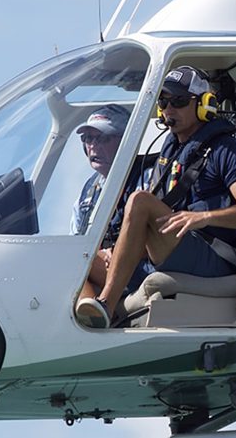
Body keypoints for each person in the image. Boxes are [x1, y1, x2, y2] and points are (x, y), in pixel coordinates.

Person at [75, 65, 236, 328]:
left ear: (204, 104)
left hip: (210, 254)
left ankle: (106, 306)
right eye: (163, 102)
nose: (169, 109)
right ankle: (88, 322)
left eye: (178, 101)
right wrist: (116, 250)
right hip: (169, 250)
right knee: (76, 256)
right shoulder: (172, 147)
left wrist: (204, 217)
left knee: (141, 201)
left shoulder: (224, 149)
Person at [71, 104, 159, 326]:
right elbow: (76, 240)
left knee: (71, 258)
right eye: (88, 139)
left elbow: (162, 232)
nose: (93, 146)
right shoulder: (88, 191)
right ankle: (89, 314)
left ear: (125, 141)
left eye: (102, 138)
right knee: (65, 256)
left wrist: (118, 251)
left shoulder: (149, 176)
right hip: (103, 264)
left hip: (139, 266)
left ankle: (97, 315)